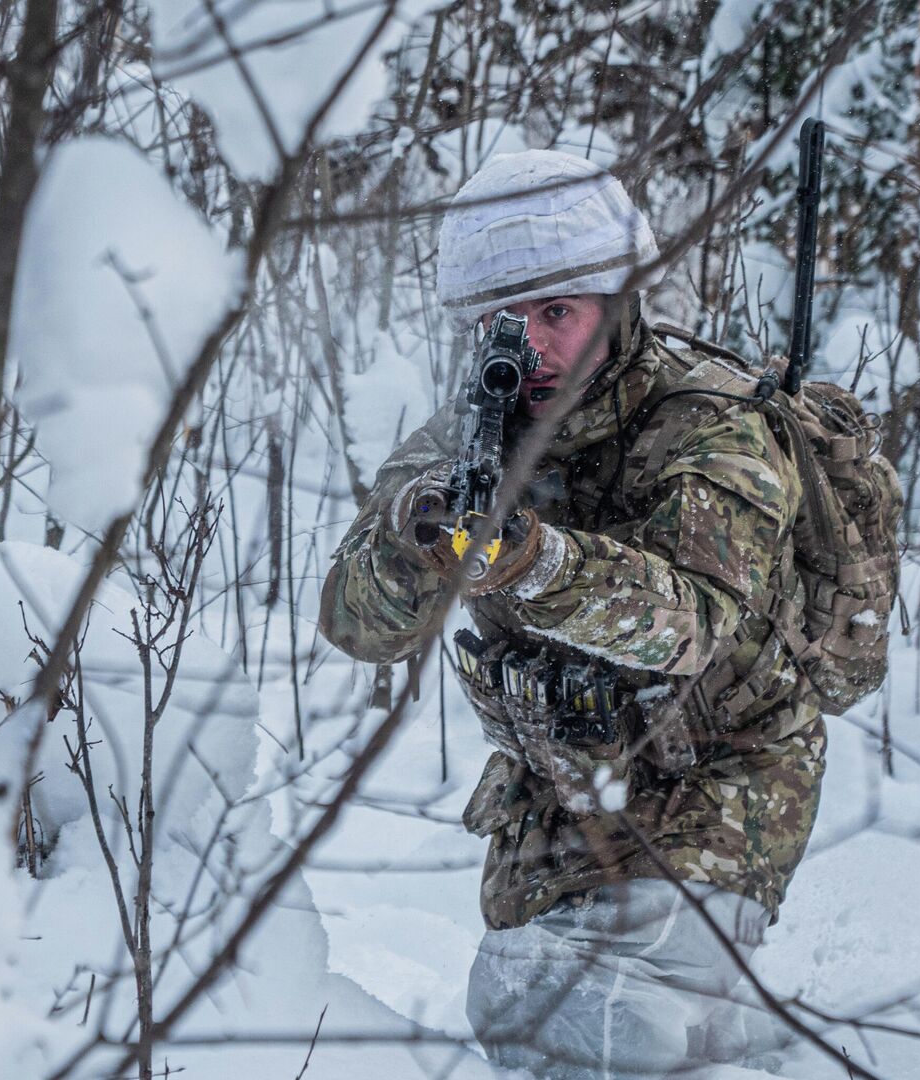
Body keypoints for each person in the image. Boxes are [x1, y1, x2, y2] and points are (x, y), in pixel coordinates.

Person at [318, 150, 828, 1077]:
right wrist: (412, 531)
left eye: (558, 313)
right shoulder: (466, 434)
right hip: (555, 790)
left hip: (723, 782)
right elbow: (356, 627)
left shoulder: (711, 424)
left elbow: (692, 620)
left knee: (572, 1011)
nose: (533, 345)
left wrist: (530, 558)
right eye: (506, 321)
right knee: (555, 1003)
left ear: (616, 302)